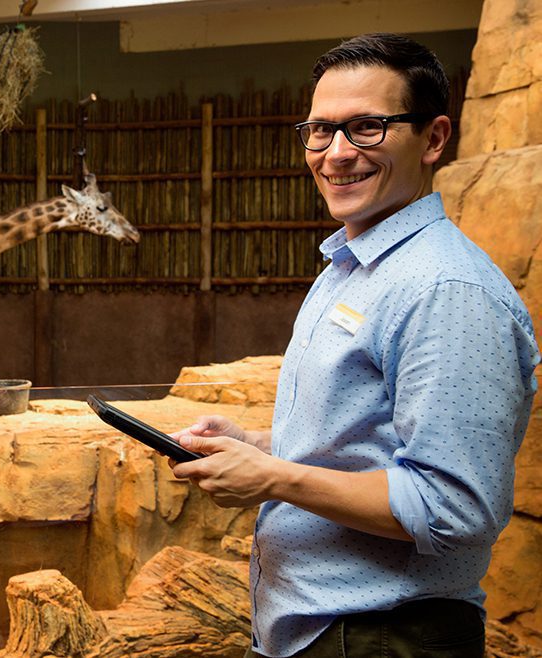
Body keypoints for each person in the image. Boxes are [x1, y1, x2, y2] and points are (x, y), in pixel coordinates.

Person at [169, 33, 538, 657]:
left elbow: (451, 508)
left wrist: (273, 477)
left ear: (435, 138)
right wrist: (258, 444)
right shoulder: (354, 265)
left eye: (367, 127)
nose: (335, 154)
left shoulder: (446, 289)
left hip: (383, 636)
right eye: (319, 130)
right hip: (323, 631)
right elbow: (369, 441)